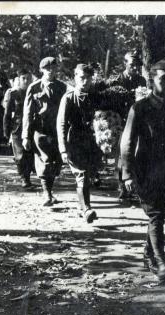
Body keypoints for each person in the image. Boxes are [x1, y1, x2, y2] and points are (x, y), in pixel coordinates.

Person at [120, 59, 165, 281]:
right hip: (146, 170)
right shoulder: (140, 108)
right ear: (151, 81)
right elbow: (127, 141)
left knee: (159, 214)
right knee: (155, 214)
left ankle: (149, 253)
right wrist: (127, 173)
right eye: (164, 78)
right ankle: (161, 261)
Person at [57, 64, 102, 223]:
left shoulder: (96, 97)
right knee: (81, 174)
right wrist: (63, 149)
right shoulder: (68, 98)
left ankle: (81, 206)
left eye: (88, 78)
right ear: (75, 77)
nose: (85, 81)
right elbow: (61, 124)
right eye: (82, 78)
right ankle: (86, 209)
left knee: (87, 175)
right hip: (74, 141)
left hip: (92, 142)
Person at [22, 57, 67, 206]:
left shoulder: (62, 87)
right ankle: (47, 194)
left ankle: (49, 191)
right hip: (40, 130)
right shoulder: (34, 88)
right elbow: (27, 113)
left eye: (53, 68)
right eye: (47, 69)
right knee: (45, 161)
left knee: (55, 162)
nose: (51, 71)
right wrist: (25, 136)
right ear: (41, 70)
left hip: (57, 130)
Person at [106, 52, 147, 201]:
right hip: (120, 121)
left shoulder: (141, 80)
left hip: (136, 121)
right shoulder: (117, 80)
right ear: (125, 64)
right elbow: (108, 100)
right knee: (121, 155)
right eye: (132, 65)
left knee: (135, 153)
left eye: (137, 65)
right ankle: (122, 187)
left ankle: (134, 187)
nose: (135, 68)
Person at [3, 68, 35, 188]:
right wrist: (6, 131)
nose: (26, 81)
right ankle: (24, 179)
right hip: (18, 128)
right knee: (21, 155)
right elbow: (7, 114)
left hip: (32, 127)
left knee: (30, 153)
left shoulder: (35, 92)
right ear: (19, 79)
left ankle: (28, 175)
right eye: (23, 78)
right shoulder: (14, 94)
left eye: (28, 78)